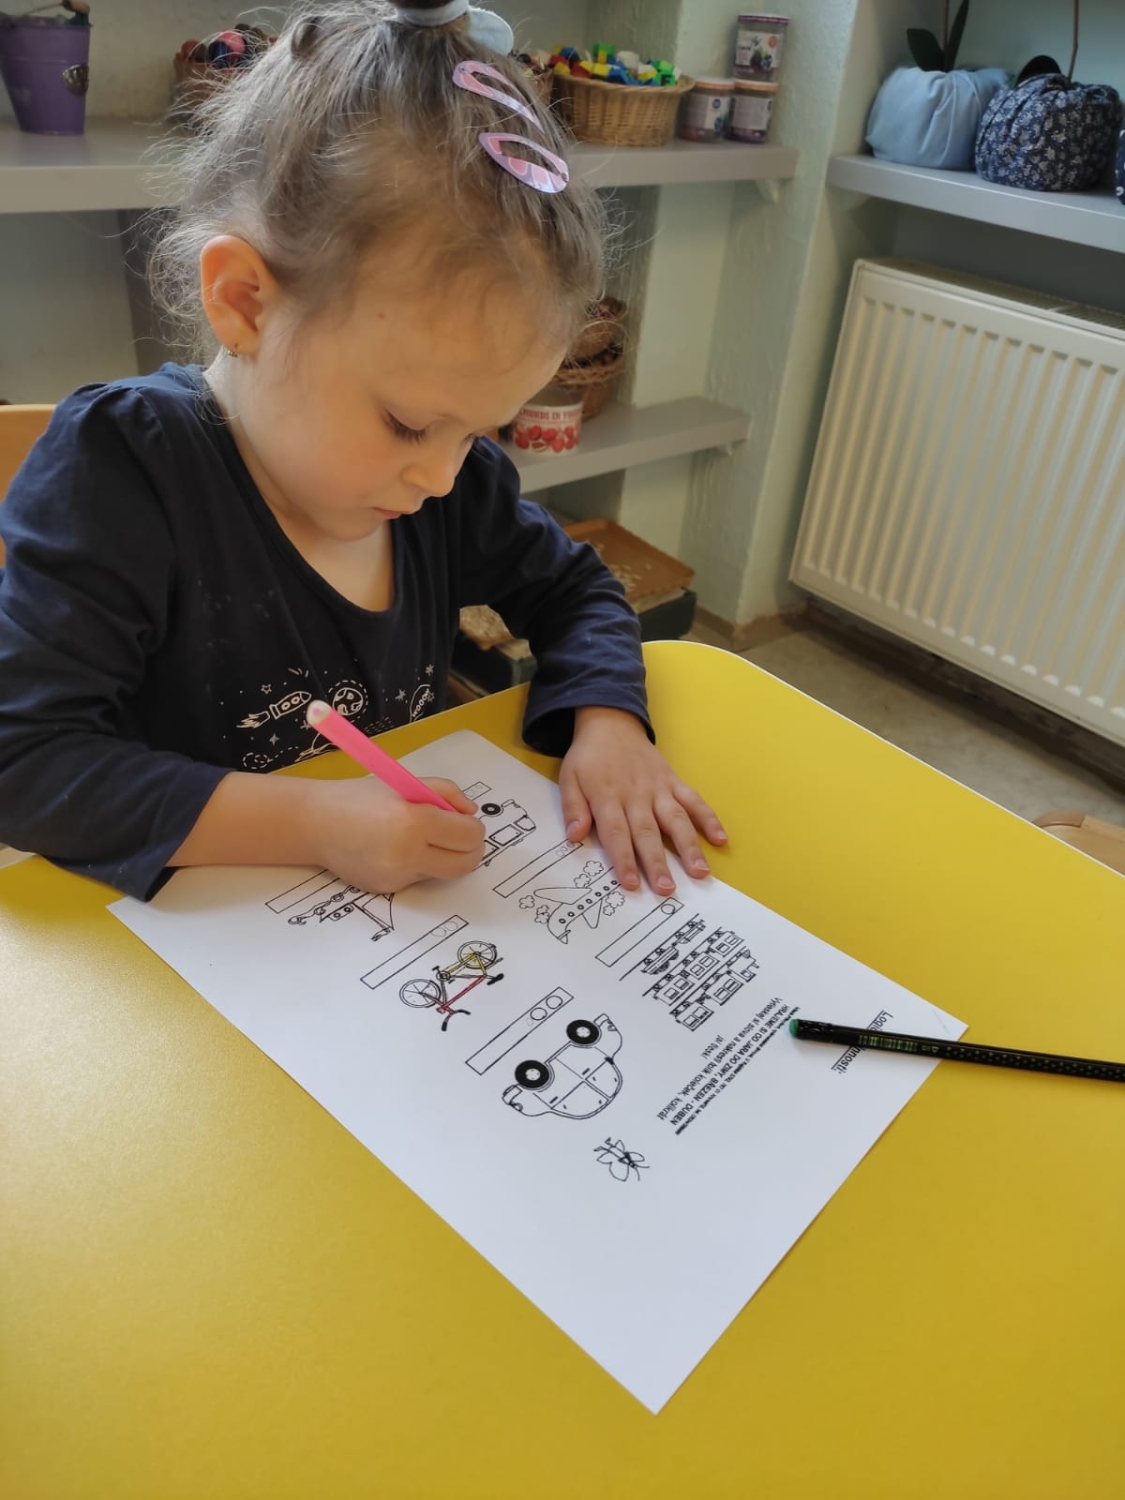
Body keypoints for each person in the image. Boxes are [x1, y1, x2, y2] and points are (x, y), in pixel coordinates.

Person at [0, 0, 726, 904]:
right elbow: (23, 760)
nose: (442, 475)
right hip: (184, 940)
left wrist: (607, 723)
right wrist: (317, 821)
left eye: (480, 430)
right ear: (244, 302)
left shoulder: (449, 486)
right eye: (409, 424)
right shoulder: (121, 471)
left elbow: (575, 589)